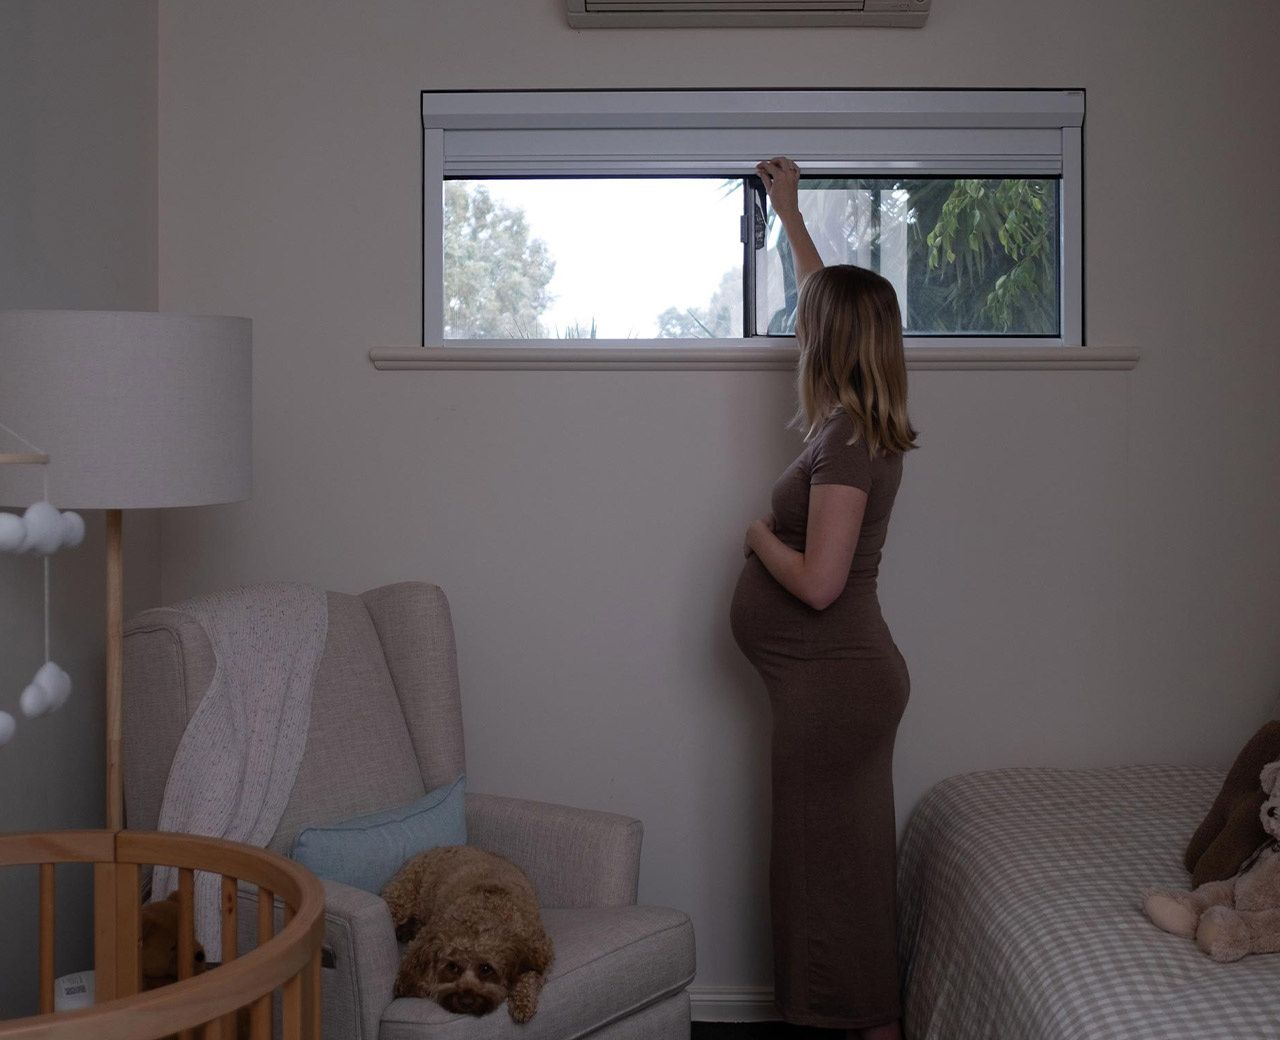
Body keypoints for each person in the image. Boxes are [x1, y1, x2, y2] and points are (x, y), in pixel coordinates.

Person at [729, 156, 918, 1040]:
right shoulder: (858, 421)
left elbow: (820, 584)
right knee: (840, 870)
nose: (798, 331)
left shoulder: (845, 443)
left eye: (809, 326)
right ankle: (864, 1018)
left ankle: (854, 1021)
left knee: (824, 875)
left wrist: (757, 537)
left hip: (832, 686)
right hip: (834, 687)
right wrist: (792, 215)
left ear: (831, 343)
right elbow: (824, 295)